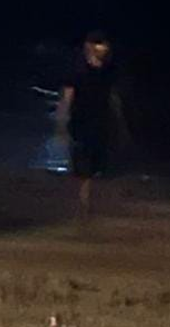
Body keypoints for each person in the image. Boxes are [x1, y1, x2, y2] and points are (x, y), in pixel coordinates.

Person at [55, 30, 130, 216]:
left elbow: (113, 98)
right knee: (83, 166)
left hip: (102, 122)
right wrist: (61, 124)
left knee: (100, 165)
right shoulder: (77, 71)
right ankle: (82, 206)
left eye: (104, 44)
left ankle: (91, 204)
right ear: (88, 47)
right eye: (98, 44)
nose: (102, 48)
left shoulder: (109, 71)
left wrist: (121, 123)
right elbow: (66, 98)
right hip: (81, 122)